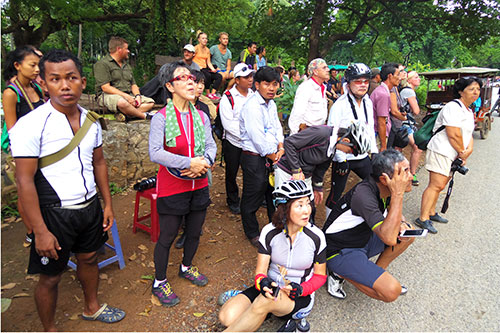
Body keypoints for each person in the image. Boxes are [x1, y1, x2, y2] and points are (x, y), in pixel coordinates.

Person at [10, 50, 125, 331]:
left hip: (89, 208)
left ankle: (92, 307)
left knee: (89, 258)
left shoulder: (90, 120)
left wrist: (107, 205)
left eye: (71, 78)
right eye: (55, 79)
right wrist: (39, 230)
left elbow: (99, 163)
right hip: (53, 214)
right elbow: (24, 181)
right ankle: (50, 329)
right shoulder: (30, 125)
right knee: (50, 276)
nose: (65, 85)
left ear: (83, 82)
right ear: (44, 83)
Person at [149, 61, 217, 306]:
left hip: (199, 184)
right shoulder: (161, 118)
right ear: (169, 86)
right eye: (183, 78)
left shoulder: (201, 116)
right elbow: (155, 152)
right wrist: (189, 162)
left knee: (195, 231)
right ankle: (159, 282)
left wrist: (205, 162)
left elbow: (211, 146)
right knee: (167, 236)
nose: (191, 81)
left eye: (192, 78)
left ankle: (186, 266)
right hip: (172, 186)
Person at [218, 180, 327, 332]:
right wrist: (261, 283)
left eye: (308, 203)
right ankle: (260, 311)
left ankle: (261, 310)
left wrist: (301, 289)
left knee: (263, 302)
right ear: (284, 209)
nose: (307, 210)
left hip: (298, 296)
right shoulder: (269, 232)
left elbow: (320, 276)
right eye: (299, 205)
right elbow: (260, 273)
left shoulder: (316, 237)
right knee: (226, 317)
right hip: (271, 288)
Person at [323, 149, 414, 302]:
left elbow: (393, 210)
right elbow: (389, 239)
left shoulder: (386, 188)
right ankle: (336, 273)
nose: (410, 177)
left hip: (363, 239)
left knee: (407, 234)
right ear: (384, 180)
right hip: (340, 250)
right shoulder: (363, 195)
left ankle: (376, 273)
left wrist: (402, 223)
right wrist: (398, 194)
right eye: (404, 173)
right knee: (391, 292)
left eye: (409, 171)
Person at [416, 77, 480, 233]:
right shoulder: (453, 107)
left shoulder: (468, 110)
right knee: (436, 184)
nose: (476, 92)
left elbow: (468, 134)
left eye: (478, 89)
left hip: (454, 154)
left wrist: (466, 152)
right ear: (460, 91)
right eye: (472, 89)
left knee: (442, 184)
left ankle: (431, 212)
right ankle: (423, 218)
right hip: (441, 150)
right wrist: (461, 152)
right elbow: (453, 133)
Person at [275, 122, 371, 219]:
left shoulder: (333, 146)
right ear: (345, 140)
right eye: (351, 151)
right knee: (287, 209)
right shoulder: (321, 133)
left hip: (305, 175)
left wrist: (317, 187)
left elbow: (321, 167)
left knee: (310, 210)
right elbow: (289, 142)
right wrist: (296, 170)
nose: (348, 153)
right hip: (286, 171)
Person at [2, 46, 44, 246]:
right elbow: (13, 130)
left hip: (39, 146)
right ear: (18, 66)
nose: (37, 69)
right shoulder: (11, 93)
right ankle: (31, 232)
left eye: (38, 65)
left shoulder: (36, 88)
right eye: (32, 65)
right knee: (24, 190)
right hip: (22, 150)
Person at [239, 66, 284, 247]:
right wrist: (276, 157)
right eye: (267, 84)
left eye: (275, 84)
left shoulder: (270, 104)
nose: (272, 88)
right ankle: (252, 232)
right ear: (257, 85)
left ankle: (275, 228)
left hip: (272, 156)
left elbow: (277, 127)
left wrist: (281, 146)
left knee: (272, 193)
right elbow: (258, 139)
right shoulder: (251, 107)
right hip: (254, 157)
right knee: (252, 195)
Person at [325, 63, 379, 213]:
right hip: (344, 157)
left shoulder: (368, 102)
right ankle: (328, 227)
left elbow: (370, 127)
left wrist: (373, 151)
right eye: (357, 81)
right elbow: (333, 134)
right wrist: (341, 159)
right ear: (348, 84)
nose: (362, 85)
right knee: (336, 194)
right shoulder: (339, 106)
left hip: (362, 156)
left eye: (366, 81)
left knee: (376, 184)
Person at [219, 63, 255, 214]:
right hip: (234, 142)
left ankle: (250, 199)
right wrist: (248, 135)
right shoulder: (227, 98)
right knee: (232, 172)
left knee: (251, 171)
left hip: (251, 142)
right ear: (237, 80)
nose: (250, 80)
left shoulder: (254, 95)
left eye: (251, 76)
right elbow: (229, 124)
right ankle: (232, 200)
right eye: (246, 77)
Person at [94, 36, 154, 119]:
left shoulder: (127, 65)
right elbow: (105, 88)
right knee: (122, 103)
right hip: (108, 95)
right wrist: (126, 97)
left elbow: (133, 84)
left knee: (150, 103)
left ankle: (126, 114)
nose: (128, 51)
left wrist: (137, 96)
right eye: (126, 49)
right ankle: (143, 115)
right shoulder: (102, 64)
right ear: (119, 49)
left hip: (128, 95)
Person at [288, 58, 330, 135]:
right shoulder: (306, 87)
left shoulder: (322, 87)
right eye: (324, 68)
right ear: (315, 71)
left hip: (319, 131)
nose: (328, 70)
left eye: (327, 67)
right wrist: (295, 137)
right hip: (308, 133)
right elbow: (297, 113)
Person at [399, 71, 423, 186]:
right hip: (405, 124)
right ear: (409, 80)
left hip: (406, 123)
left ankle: (409, 173)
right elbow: (416, 110)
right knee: (417, 147)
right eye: (416, 77)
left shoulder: (406, 90)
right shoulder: (408, 91)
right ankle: (411, 173)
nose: (419, 79)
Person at [370, 63, 401, 151]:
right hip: (378, 135)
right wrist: (383, 146)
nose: (400, 78)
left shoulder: (383, 91)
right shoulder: (383, 94)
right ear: (390, 76)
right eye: (398, 75)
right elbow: (381, 121)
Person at [193, 31, 223, 100]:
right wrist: (198, 66)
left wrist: (213, 69)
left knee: (219, 76)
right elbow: (191, 59)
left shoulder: (207, 50)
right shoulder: (196, 48)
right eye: (203, 38)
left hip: (205, 68)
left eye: (206, 38)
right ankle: (207, 93)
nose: (205, 40)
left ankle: (212, 94)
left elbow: (208, 62)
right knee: (207, 75)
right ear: (199, 40)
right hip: (197, 68)